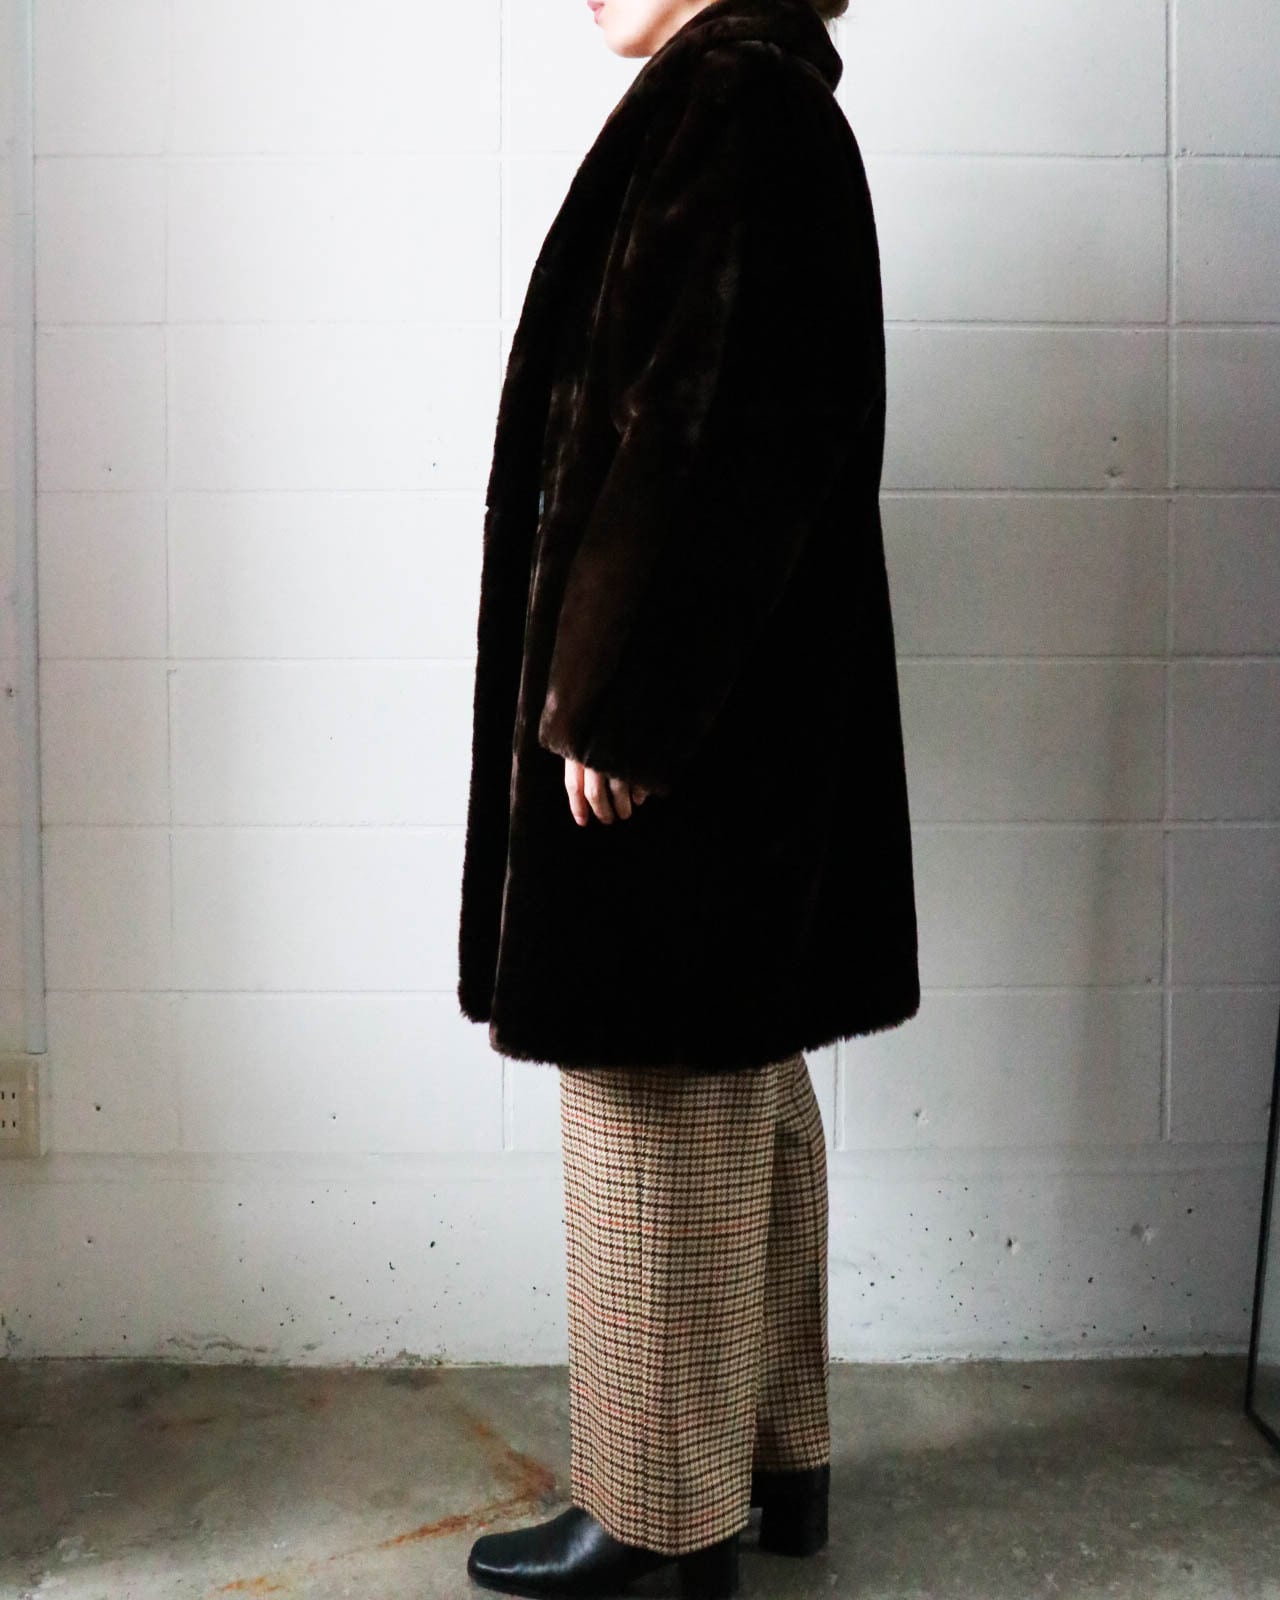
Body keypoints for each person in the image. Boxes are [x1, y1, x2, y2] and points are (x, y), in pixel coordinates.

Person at [458, 0, 919, 1594]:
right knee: (742, 1069)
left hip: (685, 728)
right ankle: (775, 1456)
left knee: (651, 1083)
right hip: (746, 719)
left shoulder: (735, 109)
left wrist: (623, 699)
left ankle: (660, 1513)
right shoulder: (764, 103)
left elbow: (719, 433)